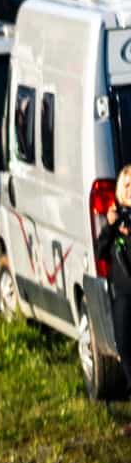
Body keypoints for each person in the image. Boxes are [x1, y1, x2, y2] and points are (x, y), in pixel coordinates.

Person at [97, 166, 131, 429]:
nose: (130, 189)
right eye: (127, 185)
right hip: (122, 295)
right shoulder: (116, 220)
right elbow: (100, 252)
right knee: (125, 349)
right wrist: (110, 226)